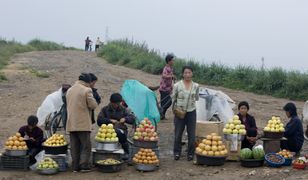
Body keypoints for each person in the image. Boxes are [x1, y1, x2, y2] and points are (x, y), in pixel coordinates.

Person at [66, 73, 98, 172]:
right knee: (85, 146)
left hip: (71, 122)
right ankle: (84, 165)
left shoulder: (70, 90)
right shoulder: (86, 90)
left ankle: (75, 167)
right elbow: (93, 105)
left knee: (74, 146)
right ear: (87, 82)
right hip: (82, 123)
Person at [97, 93, 135, 159]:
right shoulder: (105, 109)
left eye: (118, 103)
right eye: (115, 104)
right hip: (107, 131)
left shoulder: (123, 109)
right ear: (111, 102)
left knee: (121, 134)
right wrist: (109, 120)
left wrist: (125, 119)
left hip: (121, 129)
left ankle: (126, 152)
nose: (116, 105)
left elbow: (132, 118)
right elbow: (99, 120)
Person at [172, 66, 199, 161]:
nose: (187, 74)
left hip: (192, 112)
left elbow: (196, 98)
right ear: (183, 74)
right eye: (185, 73)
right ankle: (176, 153)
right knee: (178, 133)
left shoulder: (196, 86)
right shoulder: (177, 85)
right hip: (179, 112)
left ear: (192, 74)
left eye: (189, 72)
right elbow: (173, 98)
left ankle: (190, 154)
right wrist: (175, 110)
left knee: (192, 135)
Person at [159, 54, 175, 120]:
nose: (173, 61)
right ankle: (160, 114)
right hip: (164, 88)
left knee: (165, 103)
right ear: (169, 61)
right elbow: (163, 75)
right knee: (168, 102)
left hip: (167, 89)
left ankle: (162, 115)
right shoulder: (166, 68)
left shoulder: (171, 69)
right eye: (172, 60)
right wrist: (171, 76)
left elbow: (169, 77)